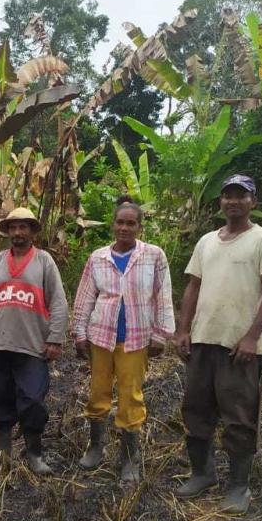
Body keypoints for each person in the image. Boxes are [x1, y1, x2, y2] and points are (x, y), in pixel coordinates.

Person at [174, 175, 262, 515]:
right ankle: (202, 473)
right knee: (196, 408)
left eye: (241, 195)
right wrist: (183, 330)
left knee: (238, 416)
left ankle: (238, 486)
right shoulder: (207, 242)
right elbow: (193, 287)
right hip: (203, 340)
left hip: (240, 346)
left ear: (254, 202)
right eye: (227, 196)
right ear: (220, 202)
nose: (233, 201)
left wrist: (252, 336)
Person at [71, 198, 175, 482]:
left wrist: (160, 334)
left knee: (131, 395)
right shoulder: (98, 257)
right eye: (120, 222)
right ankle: (95, 448)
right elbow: (85, 296)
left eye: (131, 223)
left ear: (140, 227)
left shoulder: (153, 255)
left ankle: (130, 458)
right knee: (98, 392)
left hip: (136, 338)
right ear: (113, 225)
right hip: (101, 336)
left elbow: (162, 295)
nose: (125, 228)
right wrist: (79, 332)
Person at [0, 208, 69, 476]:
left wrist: (55, 339)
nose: (17, 233)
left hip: (32, 345)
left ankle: (34, 454)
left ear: (32, 231)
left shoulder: (44, 261)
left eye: (23, 227)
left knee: (33, 400)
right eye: (13, 228)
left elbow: (59, 302)